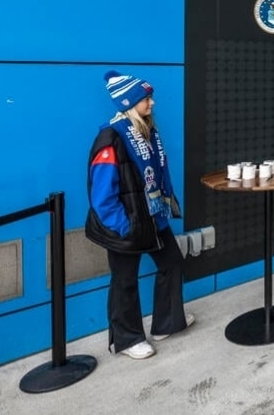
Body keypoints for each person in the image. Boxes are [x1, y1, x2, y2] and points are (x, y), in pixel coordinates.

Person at [86, 71, 194, 360]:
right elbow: (102, 196)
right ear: (129, 103)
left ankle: (166, 323)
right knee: (125, 280)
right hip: (126, 224)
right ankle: (127, 339)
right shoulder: (110, 138)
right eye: (147, 99)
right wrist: (123, 226)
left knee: (172, 262)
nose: (153, 103)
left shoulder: (148, 132)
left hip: (153, 217)